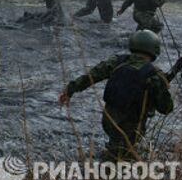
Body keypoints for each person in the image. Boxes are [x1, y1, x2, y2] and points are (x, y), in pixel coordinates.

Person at [59, 30, 173, 161]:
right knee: (122, 159)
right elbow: (166, 108)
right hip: (131, 128)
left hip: (108, 121)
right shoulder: (155, 75)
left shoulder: (117, 61)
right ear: (155, 49)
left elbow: (91, 76)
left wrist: (69, 90)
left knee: (115, 150)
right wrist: (162, 88)